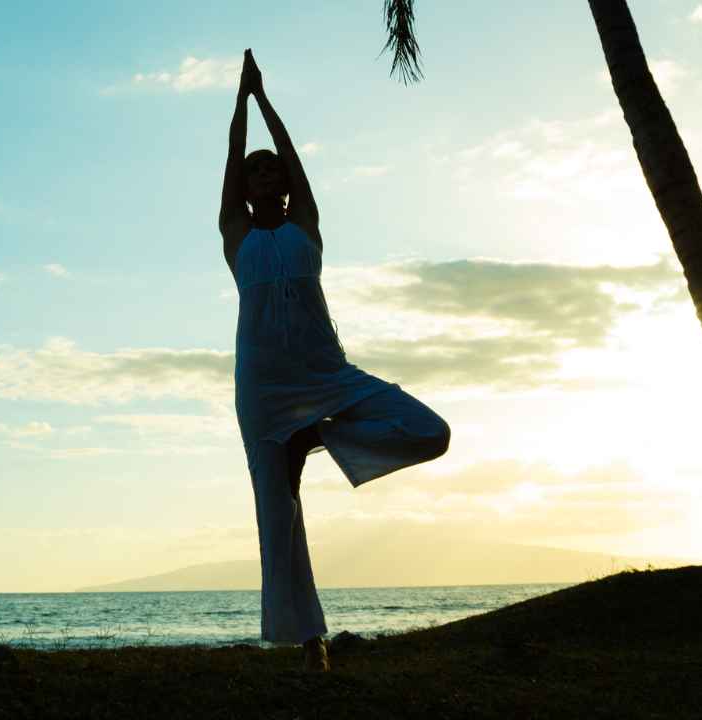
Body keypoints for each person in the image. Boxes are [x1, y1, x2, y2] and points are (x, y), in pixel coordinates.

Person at [220, 49, 452, 672]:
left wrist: (266, 101)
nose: (266, 173)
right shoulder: (235, 234)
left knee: (432, 431)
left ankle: (323, 436)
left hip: (326, 378)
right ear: (244, 190)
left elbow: (291, 155)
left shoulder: (308, 225)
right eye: (255, 172)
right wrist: (239, 107)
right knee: (278, 515)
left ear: (287, 184)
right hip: (264, 390)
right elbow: (231, 158)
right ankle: (309, 642)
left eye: (272, 170)